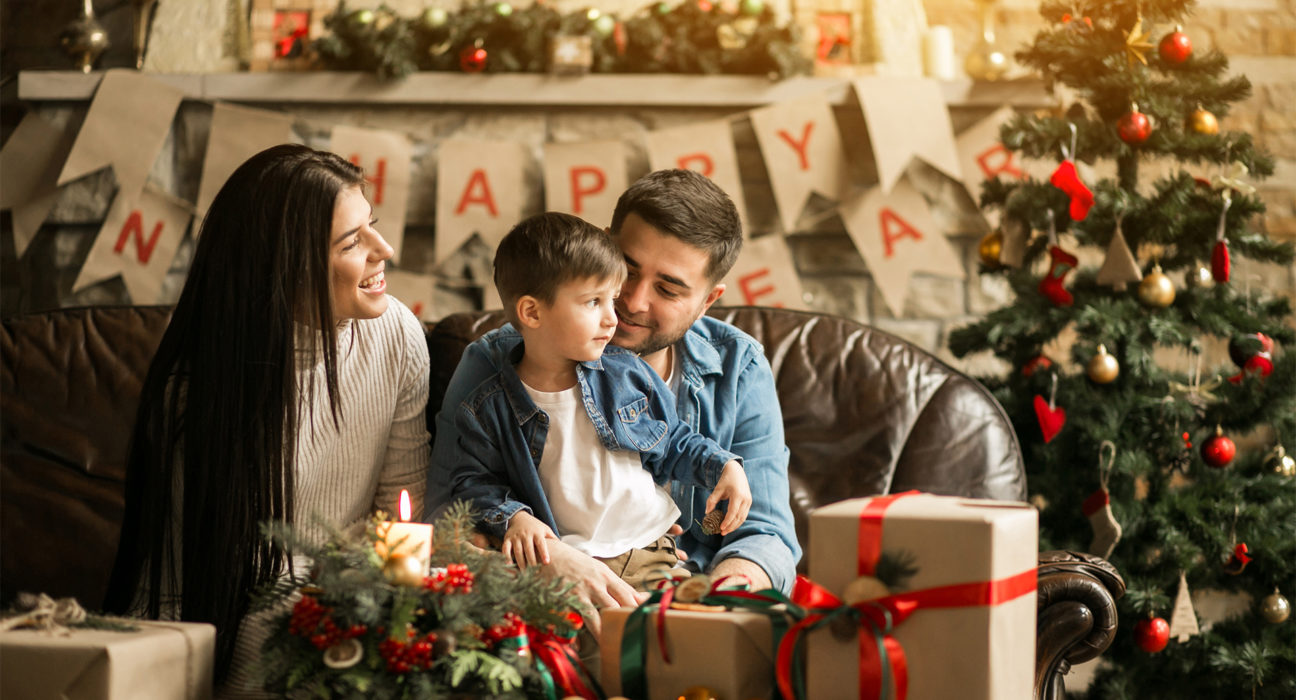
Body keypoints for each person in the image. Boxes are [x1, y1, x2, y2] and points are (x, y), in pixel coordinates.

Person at [104, 144, 430, 694]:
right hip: (232, 627)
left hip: (352, 604)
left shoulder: (396, 332)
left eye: (370, 226)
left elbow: (403, 518)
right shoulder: (199, 389)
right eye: (352, 242)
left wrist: (399, 624)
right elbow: (234, 587)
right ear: (287, 266)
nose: (385, 250)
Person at [429, 169, 800, 633]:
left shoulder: (740, 366)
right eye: (627, 268)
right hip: (546, 606)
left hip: (683, 596)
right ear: (603, 243)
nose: (631, 301)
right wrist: (546, 560)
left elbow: (765, 532)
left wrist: (710, 611)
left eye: (668, 288)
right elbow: (444, 519)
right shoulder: (495, 363)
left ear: (708, 301)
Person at [446, 212, 752, 589]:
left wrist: (724, 466)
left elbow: (673, 441)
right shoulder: (488, 408)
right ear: (532, 312)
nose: (614, 318)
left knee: (666, 638)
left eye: (612, 299)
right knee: (576, 642)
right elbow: (474, 483)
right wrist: (515, 519)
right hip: (565, 561)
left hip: (651, 549)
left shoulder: (626, 374)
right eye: (594, 302)